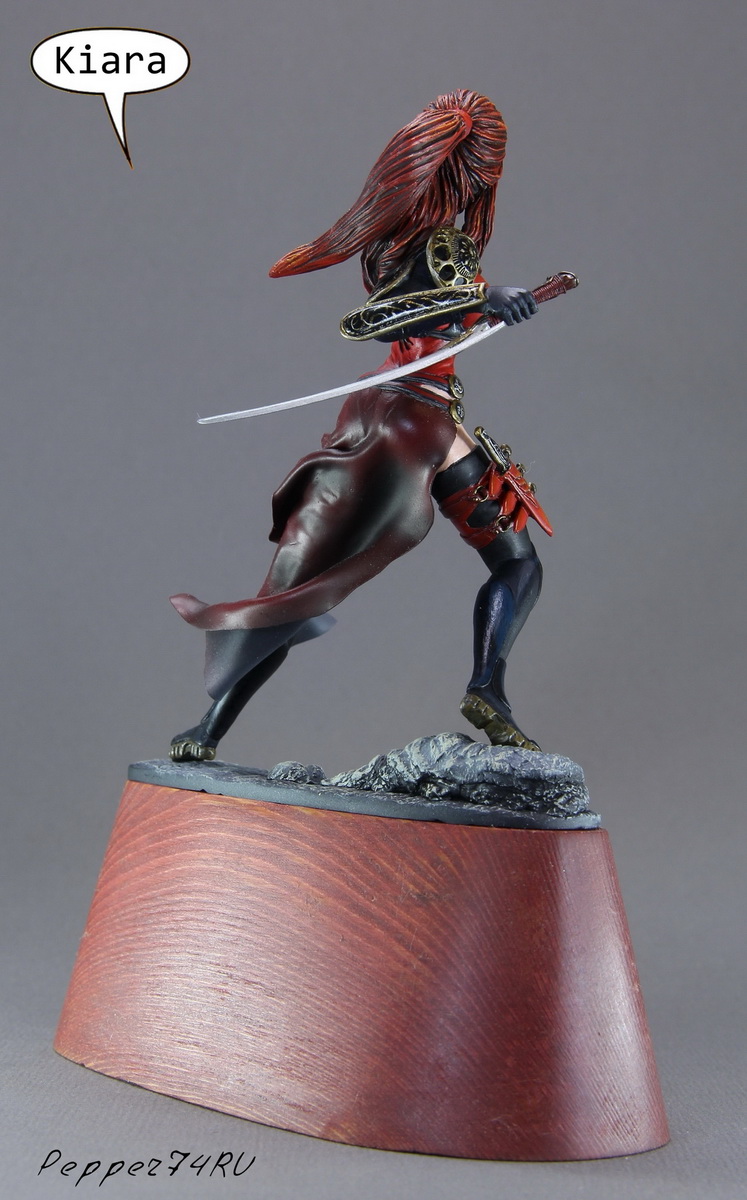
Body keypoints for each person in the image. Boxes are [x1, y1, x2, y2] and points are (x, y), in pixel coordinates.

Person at [169, 89, 548, 763]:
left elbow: (409, 310)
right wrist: (482, 297)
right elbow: (384, 317)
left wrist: (482, 306)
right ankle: (487, 687)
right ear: (471, 170)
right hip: (420, 416)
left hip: (380, 412)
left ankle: (207, 731)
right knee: (517, 564)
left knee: (295, 582)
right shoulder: (439, 244)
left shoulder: (394, 240)